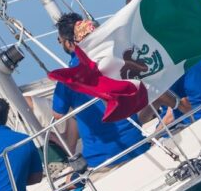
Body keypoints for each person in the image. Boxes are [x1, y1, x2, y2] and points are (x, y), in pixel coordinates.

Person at [52, 13, 150, 172]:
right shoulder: (115, 58)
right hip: (138, 145)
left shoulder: (68, 79)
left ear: (69, 43)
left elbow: (57, 114)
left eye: (59, 40)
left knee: (70, 179)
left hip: (102, 160)